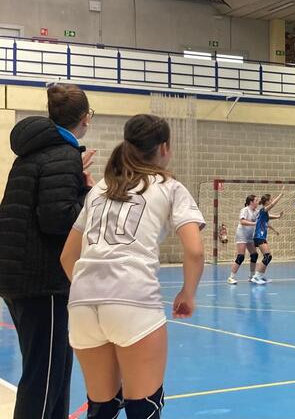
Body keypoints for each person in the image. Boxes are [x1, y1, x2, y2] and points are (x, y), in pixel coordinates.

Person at [60, 114, 205, 419]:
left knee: (101, 408)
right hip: (132, 298)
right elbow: (194, 250)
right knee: (144, 406)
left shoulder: (100, 189)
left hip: (83, 303)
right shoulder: (169, 186)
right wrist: (188, 293)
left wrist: (92, 289)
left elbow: (67, 256)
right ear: (164, 148)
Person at [0, 83, 94, 419]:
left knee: (55, 370)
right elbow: (57, 218)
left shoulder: (34, 152)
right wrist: (87, 194)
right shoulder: (63, 154)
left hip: (20, 275)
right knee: (44, 376)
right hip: (41, 281)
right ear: (84, 118)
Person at [251, 188, 285, 284]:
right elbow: (272, 205)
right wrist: (281, 195)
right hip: (259, 236)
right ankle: (256, 277)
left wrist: (278, 217)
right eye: (270, 199)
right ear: (266, 201)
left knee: (268, 257)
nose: (271, 201)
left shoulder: (264, 213)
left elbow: (269, 218)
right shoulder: (263, 210)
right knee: (267, 256)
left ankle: (260, 276)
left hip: (261, 236)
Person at [227, 195, 260, 285]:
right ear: (251, 202)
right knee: (241, 256)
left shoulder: (256, 211)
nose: (258, 202)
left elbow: (266, 215)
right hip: (242, 235)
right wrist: (255, 223)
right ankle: (231, 277)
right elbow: (242, 222)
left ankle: (252, 276)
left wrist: (277, 216)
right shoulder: (245, 210)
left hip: (250, 236)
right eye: (256, 200)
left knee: (254, 255)